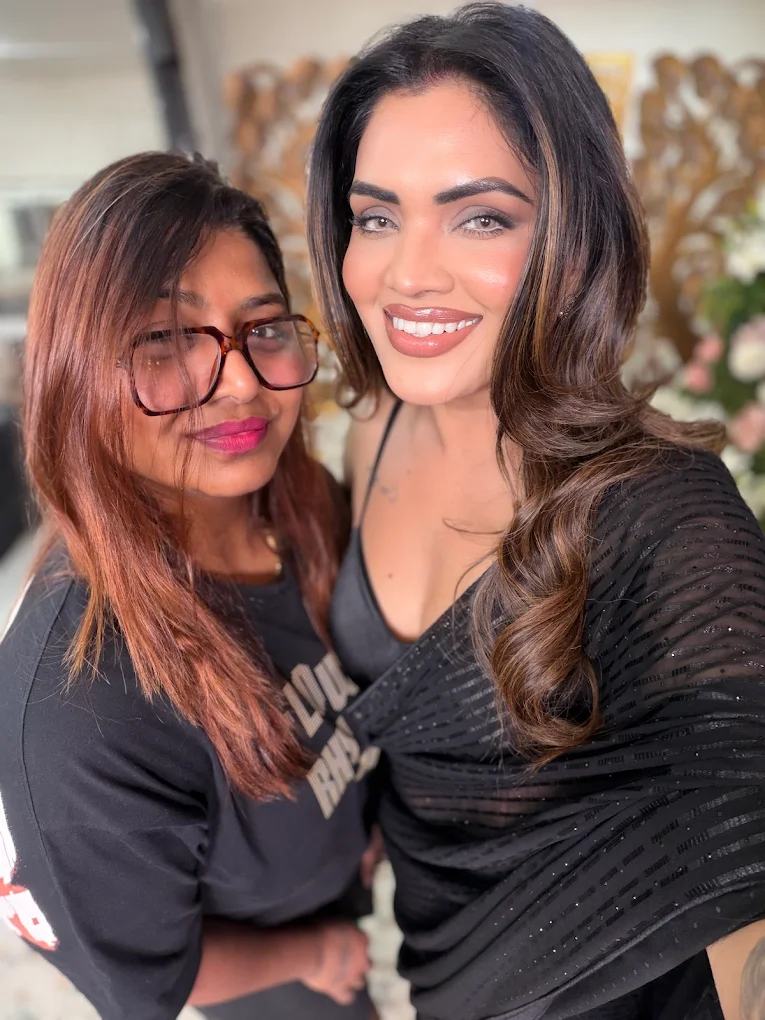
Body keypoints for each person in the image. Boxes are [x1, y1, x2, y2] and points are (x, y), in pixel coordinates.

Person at [306, 5, 765, 1019]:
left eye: (480, 217)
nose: (406, 273)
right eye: (376, 217)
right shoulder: (373, 430)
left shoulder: (667, 519)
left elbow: (748, 838)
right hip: (437, 981)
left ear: (574, 236)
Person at [0, 152, 379, 1020]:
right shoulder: (77, 710)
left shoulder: (303, 505)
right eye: (166, 341)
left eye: (263, 327)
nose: (242, 382)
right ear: (75, 371)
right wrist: (315, 954)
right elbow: (141, 977)